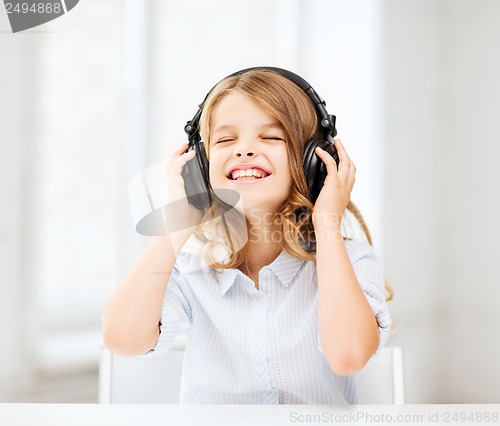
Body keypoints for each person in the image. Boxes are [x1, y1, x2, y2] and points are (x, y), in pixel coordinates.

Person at [102, 68, 392, 404]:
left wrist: (327, 221)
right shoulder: (193, 268)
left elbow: (348, 356)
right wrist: (174, 224)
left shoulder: (351, 260)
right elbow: (122, 339)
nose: (244, 150)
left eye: (270, 137)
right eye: (225, 140)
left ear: (314, 160)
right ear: (199, 167)